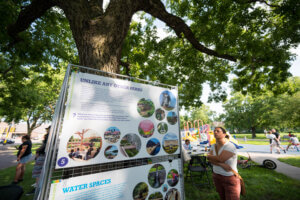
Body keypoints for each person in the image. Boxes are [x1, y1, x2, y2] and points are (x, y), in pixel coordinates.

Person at [207, 127, 240, 200]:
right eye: (214, 131)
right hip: (216, 176)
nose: (215, 132)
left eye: (218, 131)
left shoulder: (230, 146)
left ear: (224, 134)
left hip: (229, 178)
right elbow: (209, 159)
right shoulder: (213, 146)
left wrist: (210, 157)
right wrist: (221, 164)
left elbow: (220, 159)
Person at [26, 126, 50, 195]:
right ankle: (39, 186)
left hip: (43, 156)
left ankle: (37, 188)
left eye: (47, 129)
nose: (46, 130)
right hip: (44, 156)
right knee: (41, 172)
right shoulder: (51, 136)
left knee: (38, 173)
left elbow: (45, 146)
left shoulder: (49, 136)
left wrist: (37, 150)